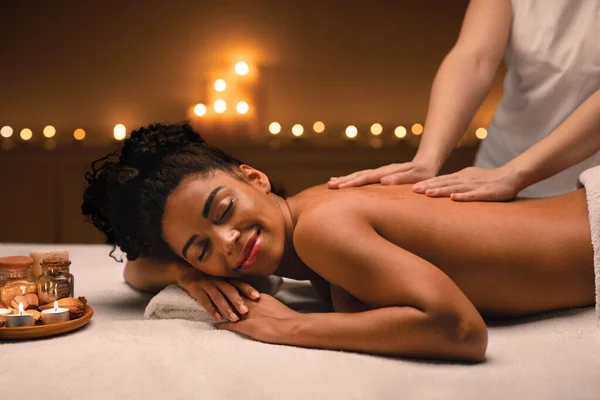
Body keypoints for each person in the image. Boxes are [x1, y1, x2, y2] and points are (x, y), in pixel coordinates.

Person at [82, 123, 594, 362]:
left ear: (255, 178)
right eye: (201, 247)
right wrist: (185, 271)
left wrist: (291, 327)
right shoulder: (301, 216)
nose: (228, 241)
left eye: (224, 211)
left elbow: (460, 330)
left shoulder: (322, 230)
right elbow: (138, 270)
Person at [329, 0, 600, 201]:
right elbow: (473, 59)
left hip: (587, 184)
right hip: (498, 165)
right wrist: (426, 159)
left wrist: (515, 174)